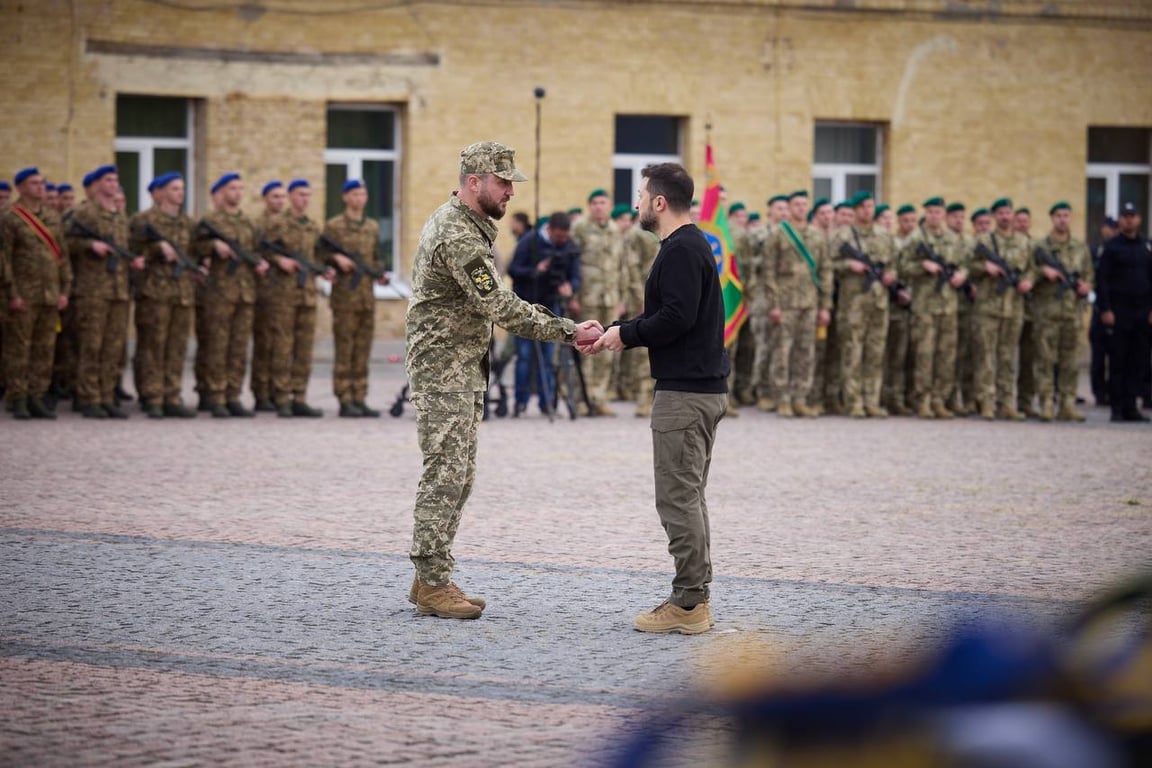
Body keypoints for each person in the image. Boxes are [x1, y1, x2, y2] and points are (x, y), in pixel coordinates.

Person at [405, 141, 602, 620]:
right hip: (444, 372)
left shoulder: (468, 226)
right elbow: (500, 306)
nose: (511, 191)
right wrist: (569, 331)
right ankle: (432, 581)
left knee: (459, 476)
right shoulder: (458, 234)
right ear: (473, 182)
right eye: (502, 182)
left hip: (460, 369)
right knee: (444, 476)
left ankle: (430, 576)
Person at [592, 161, 727, 635]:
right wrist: (620, 328)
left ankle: (689, 604)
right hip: (695, 388)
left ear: (660, 202)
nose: (636, 204)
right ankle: (694, 595)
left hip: (686, 394)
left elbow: (676, 317)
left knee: (676, 499)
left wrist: (625, 335)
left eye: (641, 195)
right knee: (688, 497)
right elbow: (671, 312)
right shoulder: (685, 246)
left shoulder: (682, 249)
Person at [67, 164, 142, 419]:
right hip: (93, 290)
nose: (113, 184)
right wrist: (90, 245)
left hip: (119, 290)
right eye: (108, 180)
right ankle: (89, 398)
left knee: (113, 347)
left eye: (115, 180)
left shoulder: (119, 216)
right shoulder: (85, 213)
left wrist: (132, 261)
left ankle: (107, 396)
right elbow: (66, 242)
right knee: (92, 345)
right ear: (98, 184)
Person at [193, 172, 269, 418]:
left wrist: (260, 263)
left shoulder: (248, 222)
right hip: (220, 291)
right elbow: (194, 247)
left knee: (238, 346)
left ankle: (233, 395)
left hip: (245, 292)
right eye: (233, 188)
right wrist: (213, 246)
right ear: (222, 192)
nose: (237, 193)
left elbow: (256, 250)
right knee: (217, 344)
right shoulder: (211, 220)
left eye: (240, 188)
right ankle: (215, 395)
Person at [1, 167, 71, 419]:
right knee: (19, 348)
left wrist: (65, 290)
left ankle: (36, 396)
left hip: (50, 294)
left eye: (42, 183)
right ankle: (17, 397)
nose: (40, 187)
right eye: (34, 183)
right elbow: (4, 259)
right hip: (23, 295)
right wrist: (12, 293)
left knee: (45, 348)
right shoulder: (10, 217)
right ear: (21, 187)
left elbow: (62, 257)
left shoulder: (52, 217)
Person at [127, 172, 198, 418]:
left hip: (182, 292)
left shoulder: (188, 223)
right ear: (163, 192)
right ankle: (152, 396)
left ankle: (172, 395)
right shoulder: (144, 221)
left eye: (182, 189)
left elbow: (195, 253)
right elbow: (132, 252)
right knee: (153, 345)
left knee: (177, 346)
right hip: (154, 291)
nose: (180, 193)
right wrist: (157, 249)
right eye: (175, 189)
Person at [319, 179, 388, 417]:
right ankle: (344, 397)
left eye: (363, 194)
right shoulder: (334, 226)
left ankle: (359, 396)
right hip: (345, 297)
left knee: (362, 349)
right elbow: (320, 254)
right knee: (345, 348)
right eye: (355, 194)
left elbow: (377, 257)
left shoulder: (372, 227)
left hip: (366, 297)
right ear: (345, 197)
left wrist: (380, 273)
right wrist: (336, 259)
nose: (360, 198)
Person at [258, 178, 326, 417]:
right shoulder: (278, 223)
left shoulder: (312, 226)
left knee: (304, 347)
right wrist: (279, 260)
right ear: (290, 196)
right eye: (299, 194)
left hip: (307, 292)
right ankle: (281, 396)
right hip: (283, 293)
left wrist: (324, 268)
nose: (304, 199)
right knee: (282, 345)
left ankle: (299, 395)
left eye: (307, 195)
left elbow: (318, 255)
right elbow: (262, 249)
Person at [762, 189, 832, 417]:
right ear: (790, 208)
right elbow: (769, 271)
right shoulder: (779, 235)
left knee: (806, 352)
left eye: (804, 204)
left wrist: (825, 306)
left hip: (809, 302)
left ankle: (800, 397)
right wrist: (773, 304)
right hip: (785, 303)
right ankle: (782, 398)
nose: (801, 208)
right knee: (782, 351)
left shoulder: (816, 236)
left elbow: (825, 271)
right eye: (797, 205)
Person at [830, 191, 898, 418]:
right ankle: (854, 401)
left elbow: (894, 263)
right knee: (853, 353)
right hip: (853, 304)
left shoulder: (884, 235)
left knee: (875, 353)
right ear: (856, 210)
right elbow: (829, 264)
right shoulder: (842, 236)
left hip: (879, 303)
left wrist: (891, 274)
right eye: (863, 207)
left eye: (871, 206)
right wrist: (848, 265)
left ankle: (871, 400)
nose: (868, 210)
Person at [507, 210, 581, 416]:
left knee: (549, 357)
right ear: (549, 229)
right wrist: (536, 271)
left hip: (551, 305)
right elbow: (513, 269)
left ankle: (546, 402)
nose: (561, 241)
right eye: (558, 237)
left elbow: (575, 275)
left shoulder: (569, 246)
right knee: (524, 356)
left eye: (564, 237)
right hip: (526, 305)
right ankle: (520, 401)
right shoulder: (529, 242)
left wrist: (570, 287)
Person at [900, 197, 965, 419]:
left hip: (948, 305)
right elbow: (902, 266)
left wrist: (961, 274)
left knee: (946, 355)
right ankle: (923, 401)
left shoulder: (952, 238)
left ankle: (939, 400)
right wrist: (922, 266)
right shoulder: (916, 238)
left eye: (937, 212)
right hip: (925, 306)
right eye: (930, 212)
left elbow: (965, 263)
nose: (934, 216)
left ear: (943, 214)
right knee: (924, 355)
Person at [969, 198, 1034, 420]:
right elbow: (967, 266)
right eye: (1000, 213)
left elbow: (1032, 269)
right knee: (986, 356)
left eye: (1008, 212)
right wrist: (983, 266)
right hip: (988, 308)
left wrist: (1028, 281)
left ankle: (1006, 402)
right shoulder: (984, 241)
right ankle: (986, 402)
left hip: (1013, 308)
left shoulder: (1024, 242)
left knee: (1008, 357)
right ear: (994, 216)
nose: (1005, 217)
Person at [1030, 201, 1093, 421]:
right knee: (1045, 361)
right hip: (1047, 313)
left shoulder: (1080, 248)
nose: (1062, 219)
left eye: (1066, 215)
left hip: (1072, 313)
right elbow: (1027, 275)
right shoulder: (1040, 247)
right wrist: (1042, 272)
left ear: (1070, 218)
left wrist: (1086, 286)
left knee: (1070, 362)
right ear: (1052, 219)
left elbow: (1089, 275)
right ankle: (1047, 403)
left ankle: (1067, 405)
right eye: (1058, 216)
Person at [1096, 202, 1152, 422]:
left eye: (1133, 216)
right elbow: (1102, 280)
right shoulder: (1111, 247)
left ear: (1139, 219)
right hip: (1119, 312)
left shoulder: (1147, 246)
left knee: (1138, 361)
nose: (1129, 220)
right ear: (1120, 220)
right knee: (1118, 360)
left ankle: (1131, 407)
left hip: (1142, 312)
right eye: (1125, 216)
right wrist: (1105, 309)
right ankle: (1117, 408)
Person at [571, 188, 623, 416]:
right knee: (585, 347)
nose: (598, 207)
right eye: (595, 203)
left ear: (609, 206)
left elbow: (621, 265)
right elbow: (571, 262)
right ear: (589, 206)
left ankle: (599, 397)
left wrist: (622, 298)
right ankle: (582, 399)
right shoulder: (579, 228)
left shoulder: (614, 230)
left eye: (602, 202)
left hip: (609, 298)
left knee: (607, 349)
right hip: (587, 298)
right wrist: (573, 296)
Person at [252, 180, 287, 411]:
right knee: (264, 343)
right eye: (275, 196)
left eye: (283, 197)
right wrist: (275, 259)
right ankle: (261, 393)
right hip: (264, 290)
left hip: (287, 293)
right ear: (265, 199)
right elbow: (253, 251)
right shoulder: (257, 225)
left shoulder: (289, 224)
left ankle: (279, 390)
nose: (280, 201)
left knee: (281, 345)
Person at [1089, 216, 1119, 406]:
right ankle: (1100, 393)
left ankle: (1114, 391)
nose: (1111, 231)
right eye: (1108, 227)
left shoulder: (1121, 251)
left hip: (1120, 309)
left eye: (1114, 228)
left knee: (1118, 355)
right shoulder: (1096, 251)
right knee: (1099, 355)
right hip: (1099, 308)